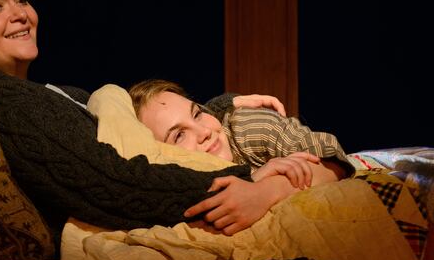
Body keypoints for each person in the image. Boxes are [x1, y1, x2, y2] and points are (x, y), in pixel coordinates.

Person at [0, 0, 313, 239]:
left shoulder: (39, 95)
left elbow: (128, 129)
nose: (21, 14)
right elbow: (113, 184)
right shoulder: (7, 106)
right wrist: (251, 179)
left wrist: (213, 112)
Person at [129, 79, 354, 193]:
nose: (205, 132)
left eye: (197, 114)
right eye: (178, 136)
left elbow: (331, 160)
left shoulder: (247, 127)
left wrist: (261, 192)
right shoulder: (172, 185)